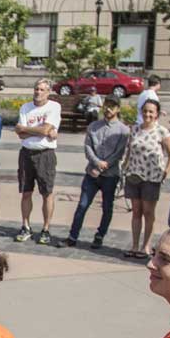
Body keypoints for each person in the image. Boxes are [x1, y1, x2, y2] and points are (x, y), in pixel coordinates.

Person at [65, 96, 130, 248]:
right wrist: (96, 162)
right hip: (91, 173)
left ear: (118, 109)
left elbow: (119, 153)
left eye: (112, 106)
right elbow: (88, 147)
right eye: (107, 105)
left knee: (107, 207)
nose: (108, 109)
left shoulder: (123, 130)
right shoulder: (93, 126)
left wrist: (104, 165)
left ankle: (100, 235)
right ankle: (72, 236)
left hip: (110, 175)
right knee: (82, 205)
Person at [120, 99, 170, 258]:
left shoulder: (162, 131)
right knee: (136, 211)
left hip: (152, 177)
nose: (147, 114)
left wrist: (166, 172)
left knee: (148, 212)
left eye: (151, 111)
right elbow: (129, 150)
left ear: (157, 114)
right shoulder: (135, 129)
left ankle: (146, 245)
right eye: (145, 111)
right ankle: (135, 245)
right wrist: (124, 167)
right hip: (134, 175)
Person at [13, 78, 61, 244]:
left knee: (46, 193)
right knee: (26, 192)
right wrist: (39, 131)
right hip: (26, 153)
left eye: (42, 90)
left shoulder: (54, 107)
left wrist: (29, 129)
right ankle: (25, 226)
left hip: (45, 154)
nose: (38, 92)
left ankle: (46, 229)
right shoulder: (25, 107)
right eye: (36, 89)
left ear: (48, 92)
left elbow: (46, 129)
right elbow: (20, 133)